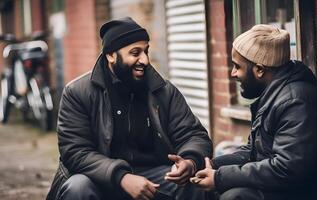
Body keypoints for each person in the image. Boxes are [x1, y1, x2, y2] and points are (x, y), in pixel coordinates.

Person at [46, 17, 213, 200]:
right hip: (99, 178)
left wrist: (189, 161)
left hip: (153, 176)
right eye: (135, 53)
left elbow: (193, 135)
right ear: (111, 55)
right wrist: (122, 177)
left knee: (195, 182)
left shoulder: (163, 91)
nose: (145, 60)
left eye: (146, 51)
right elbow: (75, 151)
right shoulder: (77, 93)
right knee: (78, 187)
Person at [191, 24, 317, 200]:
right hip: (305, 183)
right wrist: (207, 165)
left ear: (260, 70)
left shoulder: (295, 102)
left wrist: (220, 177)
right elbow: (253, 153)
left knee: (236, 196)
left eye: (237, 66)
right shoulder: (275, 95)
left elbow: (287, 168)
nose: (233, 73)